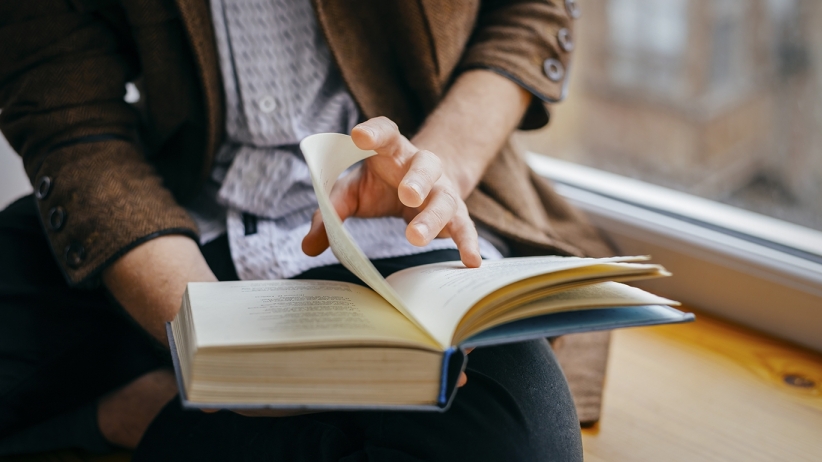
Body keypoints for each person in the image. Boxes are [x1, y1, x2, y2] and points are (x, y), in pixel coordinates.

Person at [0, 0, 610, 460]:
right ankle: (186, 413)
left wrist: (435, 165)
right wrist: (209, 338)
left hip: (403, 231)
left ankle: (149, 414)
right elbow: (66, 112)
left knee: (515, 443)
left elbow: (529, 10)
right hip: (172, 223)